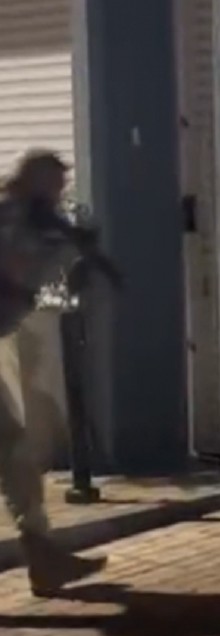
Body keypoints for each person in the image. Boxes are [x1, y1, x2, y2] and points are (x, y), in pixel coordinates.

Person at [0, 149, 107, 595]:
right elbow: (17, 266)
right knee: (13, 450)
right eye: (54, 183)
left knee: (15, 452)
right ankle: (42, 556)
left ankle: (43, 556)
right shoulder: (14, 217)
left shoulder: (36, 222)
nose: (60, 193)